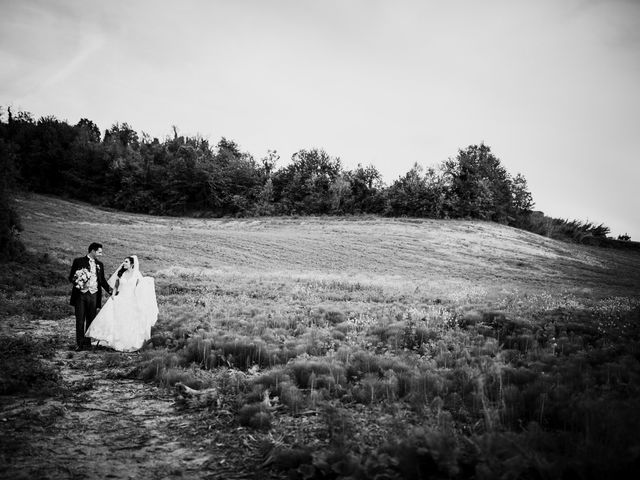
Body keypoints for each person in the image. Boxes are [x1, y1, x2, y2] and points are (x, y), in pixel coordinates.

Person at [86, 255, 159, 352]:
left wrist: (149, 282)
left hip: (131, 300)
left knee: (128, 322)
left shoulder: (136, 275)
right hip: (120, 298)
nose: (124, 263)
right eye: (124, 261)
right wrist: (113, 294)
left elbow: (142, 288)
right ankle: (115, 341)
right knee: (117, 320)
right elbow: (116, 285)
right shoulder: (121, 273)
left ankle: (127, 342)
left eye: (126, 262)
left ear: (132, 264)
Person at [69, 242, 113, 351]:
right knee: (80, 320)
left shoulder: (100, 264)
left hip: (94, 295)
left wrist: (112, 292)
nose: (101, 254)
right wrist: (79, 282)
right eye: (99, 252)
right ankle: (79, 344)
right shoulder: (78, 261)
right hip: (81, 295)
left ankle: (87, 343)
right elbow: (71, 277)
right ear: (92, 251)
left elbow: (102, 280)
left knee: (90, 320)